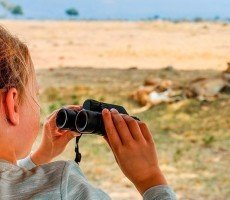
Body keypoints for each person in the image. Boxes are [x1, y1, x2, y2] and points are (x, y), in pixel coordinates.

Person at [0, 25, 176, 199]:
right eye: (35, 94)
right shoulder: (66, 189)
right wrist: (150, 179)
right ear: (13, 104)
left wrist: (41, 156)